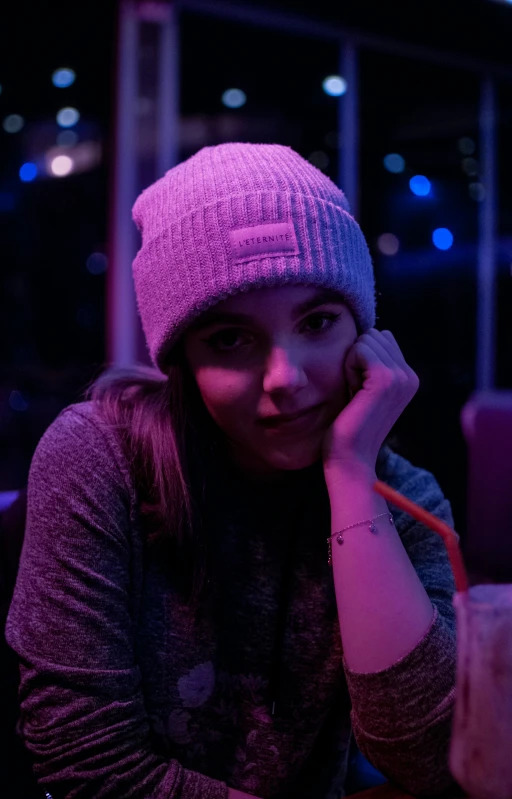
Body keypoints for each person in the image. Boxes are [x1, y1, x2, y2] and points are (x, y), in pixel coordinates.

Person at [5, 143, 462, 799]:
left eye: (318, 320)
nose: (287, 379)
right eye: (229, 339)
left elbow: (432, 760)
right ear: (182, 360)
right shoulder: (100, 459)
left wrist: (351, 476)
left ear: (365, 336)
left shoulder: (407, 499)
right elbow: (90, 767)